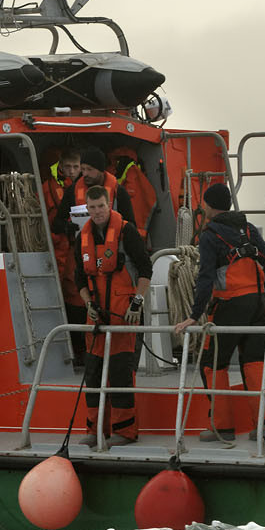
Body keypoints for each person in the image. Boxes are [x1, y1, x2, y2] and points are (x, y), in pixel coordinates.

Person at [172, 183, 265, 443]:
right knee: (253, 362)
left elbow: (206, 277)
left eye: (204, 204)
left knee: (211, 364)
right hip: (258, 305)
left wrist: (194, 315)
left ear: (209, 206)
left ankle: (222, 427)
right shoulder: (248, 229)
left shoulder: (209, 235)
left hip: (231, 305)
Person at [75, 185, 152, 447]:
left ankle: (125, 431)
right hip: (96, 316)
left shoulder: (126, 232)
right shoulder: (82, 237)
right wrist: (88, 304)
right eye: (92, 207)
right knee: (94, 373)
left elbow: (145, 268)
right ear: (87, 208)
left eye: (101, 206)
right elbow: (78, 278)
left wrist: (137, 303)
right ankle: (95, 430)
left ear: (110, 205)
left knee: (120, 372)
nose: (97, 212)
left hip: (124, 315)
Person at [41, 146, 88, 364]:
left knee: (75, 297)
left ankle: (79, 348)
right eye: (67, 166)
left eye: (75, 167)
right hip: (54, 248)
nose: (71, 171)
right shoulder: (47, 187)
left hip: (74, 250)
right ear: (60, 166)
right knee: (55, 296)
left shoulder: (85, 188)